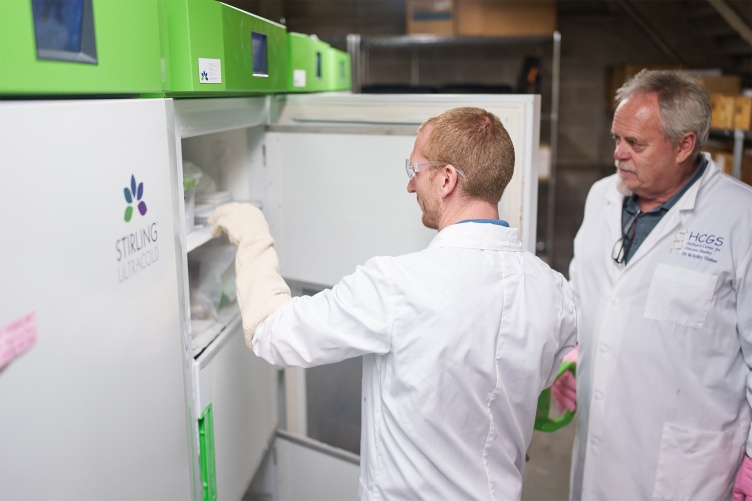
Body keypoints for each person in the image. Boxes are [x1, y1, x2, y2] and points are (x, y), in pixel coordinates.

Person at [210, 107, 577, 500]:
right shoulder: (555, 292)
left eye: (415, 170)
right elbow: (545, 382)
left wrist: (252, 236)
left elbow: (271, 331)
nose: (410, 186)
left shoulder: (398, 284)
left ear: (447, 179)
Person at [555, 69, 752, 500]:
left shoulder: (741, 218)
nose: (618, 154)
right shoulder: (601, 197)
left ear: (685, 145)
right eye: (616, 139)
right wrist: (572, 357)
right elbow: (583, 294)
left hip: (687, 467)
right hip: (600, 443)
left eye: (635, 144)